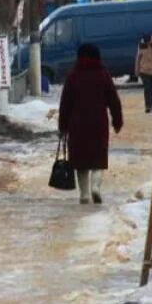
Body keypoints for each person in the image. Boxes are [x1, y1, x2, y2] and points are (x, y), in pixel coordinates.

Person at [58, 43, 124, 205]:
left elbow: (65, 103)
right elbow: (113, 100)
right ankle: (95, 186)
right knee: (98, 157)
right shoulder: (103, 75)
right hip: (98, 123)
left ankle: (85, 194)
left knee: (81, 161)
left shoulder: (73, 76)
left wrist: (63, 126)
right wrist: (117, 121)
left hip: (77, 125)